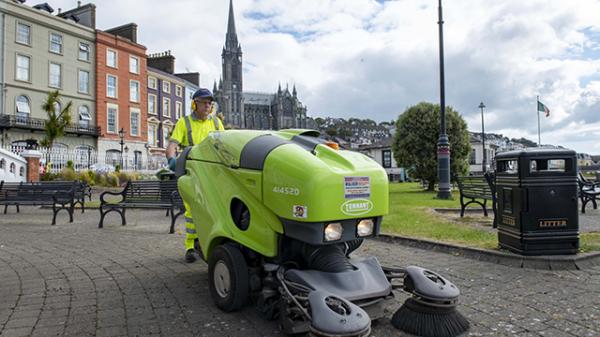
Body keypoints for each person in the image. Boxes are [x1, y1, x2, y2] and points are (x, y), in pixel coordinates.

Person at [166, 88, 225, 262]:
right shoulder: (184, 123)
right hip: (193, 173)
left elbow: (225, 145)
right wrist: (171, 160)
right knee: (192, 212)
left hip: (213, 174)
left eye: (210, 103)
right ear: (194, 104)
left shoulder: (216, 123)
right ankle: (191, 247)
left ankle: (211, 245)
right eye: (204, 102)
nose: (208, 106)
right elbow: (172, 145)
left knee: (215, 210)